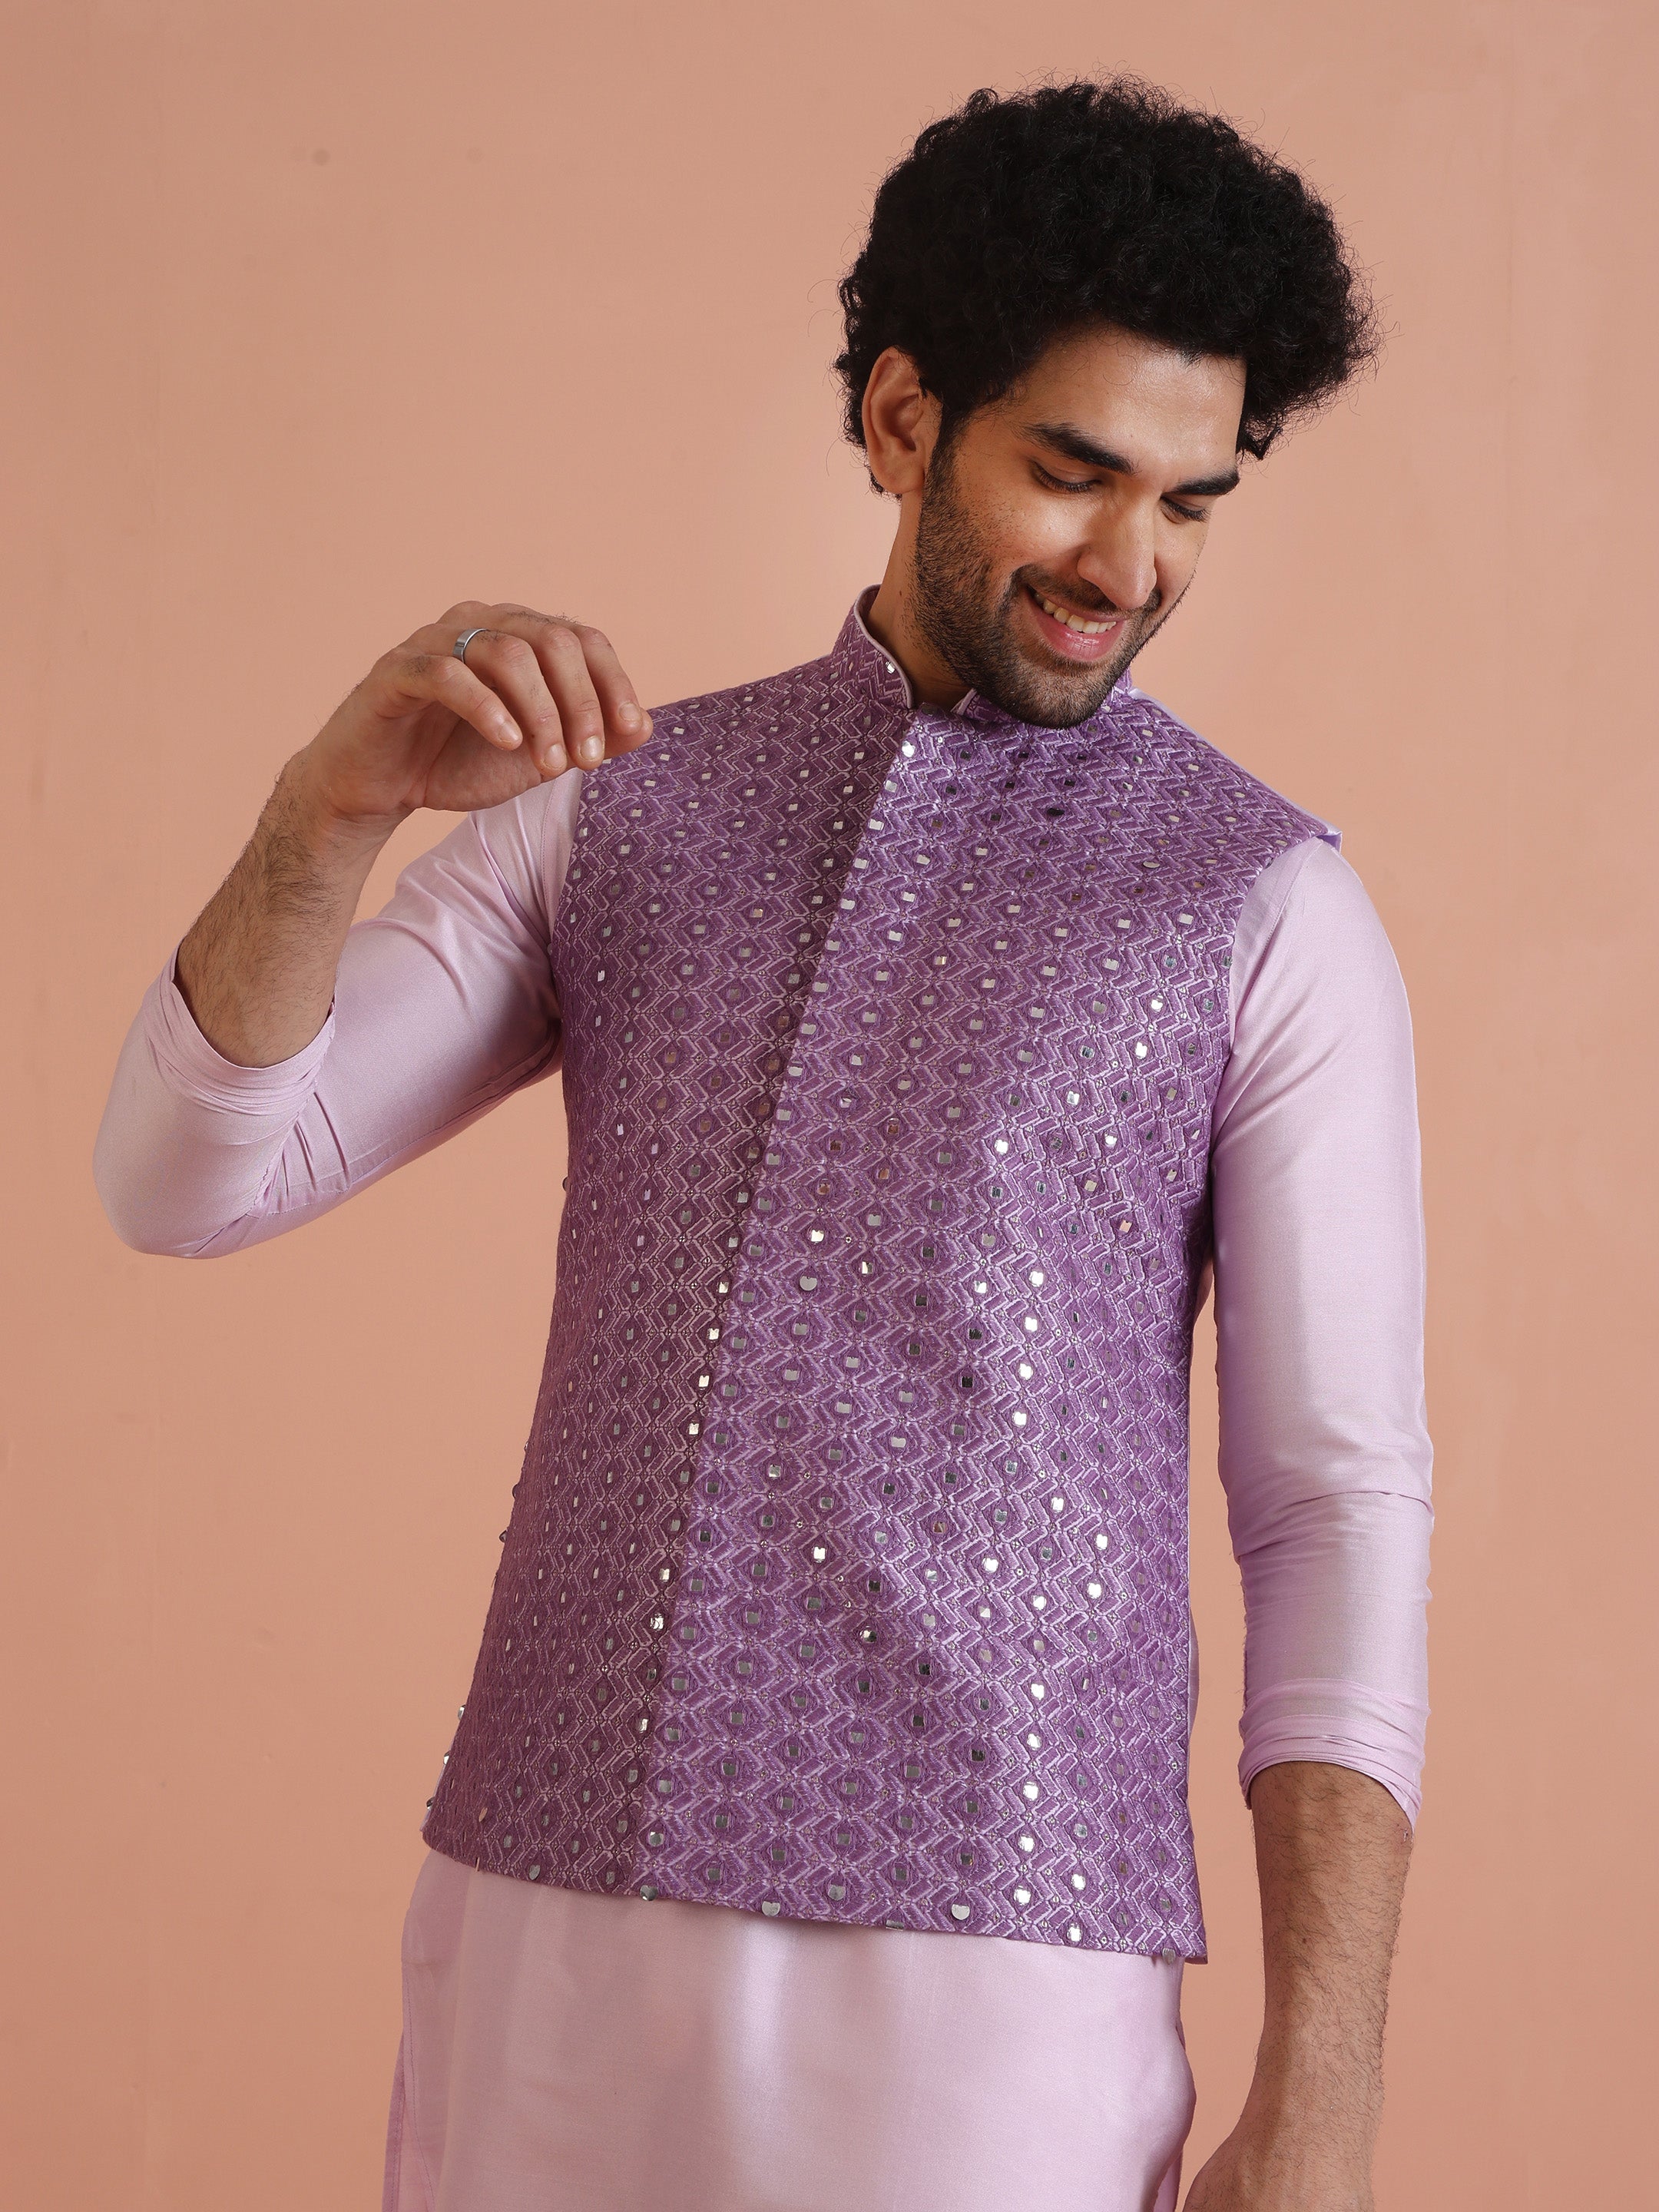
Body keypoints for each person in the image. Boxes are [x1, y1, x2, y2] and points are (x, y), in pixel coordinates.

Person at [94, 78, 1432, 2212]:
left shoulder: (1264, 906)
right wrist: (327, 815)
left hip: (996, 1963)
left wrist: (1326, 2097)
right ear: (903, 419)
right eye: (1072, 472)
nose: (1129, 565)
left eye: (1192, 501)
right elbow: (184, 1179)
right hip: (541, 1925)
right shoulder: (619, 809)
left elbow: (1332, 1504)